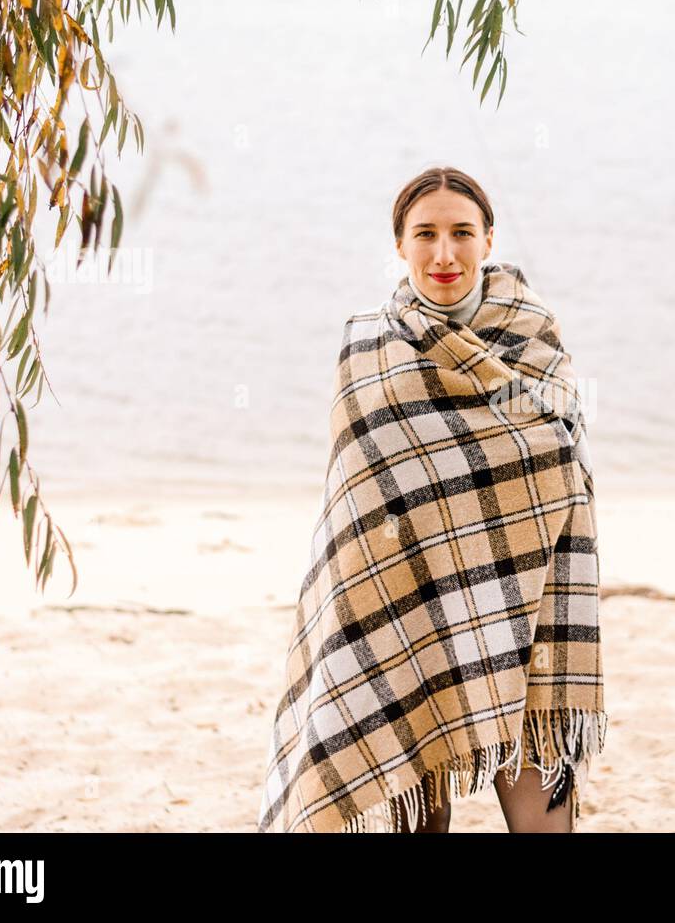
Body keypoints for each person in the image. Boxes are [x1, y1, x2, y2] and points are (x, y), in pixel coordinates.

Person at [257, 166, 606, 834]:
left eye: (461, 233)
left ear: (489, 238)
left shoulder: (534, 337)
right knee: (418, 809)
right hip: (405, 604)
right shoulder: (368, 346)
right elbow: (358, 500)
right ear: (399, 245)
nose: (444, 253)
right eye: (426, 234)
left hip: (525, 600)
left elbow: (563, 462)